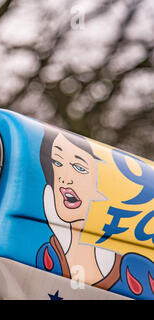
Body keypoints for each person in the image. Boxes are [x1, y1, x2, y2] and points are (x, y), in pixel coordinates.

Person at [36, 125, 153, 299]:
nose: (64, 178)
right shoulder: (48, 255)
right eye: (57, 163)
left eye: (79, 167)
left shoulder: (136, 270)